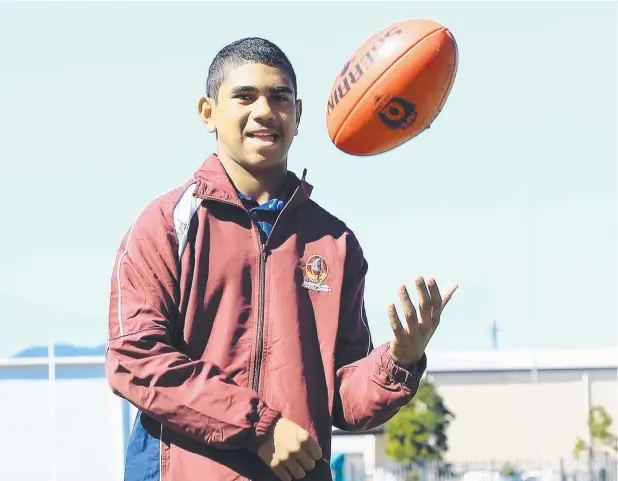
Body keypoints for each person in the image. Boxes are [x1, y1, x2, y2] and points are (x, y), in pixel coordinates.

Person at [105, 37, 457, 481]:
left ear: (300, 114)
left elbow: (343, 400)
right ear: (207, 112)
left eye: (279, 97)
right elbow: (134, 359)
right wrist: (258, 428)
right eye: (244, 96)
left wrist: (400, 359)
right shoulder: (167, 224)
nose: (265, 111)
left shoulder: (334, 241)